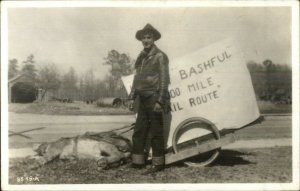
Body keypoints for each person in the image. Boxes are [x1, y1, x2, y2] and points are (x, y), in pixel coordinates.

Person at [128, 23, 170, 174]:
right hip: (142, 99)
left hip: (154, 98)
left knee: (156, 132)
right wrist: (132, 97)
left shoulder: (160, 56)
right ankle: (137, 162)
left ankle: (158, 164)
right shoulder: (141, 57)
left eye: (149, 37)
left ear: (153, 39)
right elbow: (136, 79)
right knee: (139, 130)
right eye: (144, 38)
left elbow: (165, 80)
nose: (146, 40)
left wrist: (160, 100)